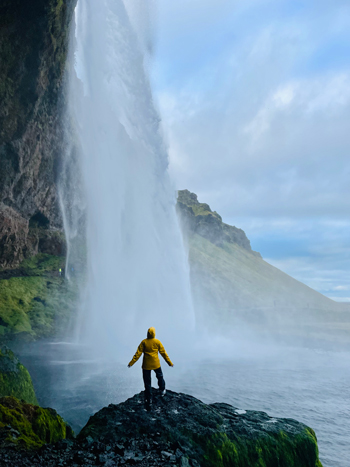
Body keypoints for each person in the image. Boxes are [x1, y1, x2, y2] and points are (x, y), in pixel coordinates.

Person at [128, 327, 173, 409]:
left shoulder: (144, 342)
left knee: (147, 382)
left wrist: (131, 363)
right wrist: (169, 363)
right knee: (160, 377)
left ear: (147, 333)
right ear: (154, 333)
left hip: (146, 365)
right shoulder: (157, 342)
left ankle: (149, 399)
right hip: (156, 364)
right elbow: (163, 353)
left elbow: (137, 354)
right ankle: (162, 390)